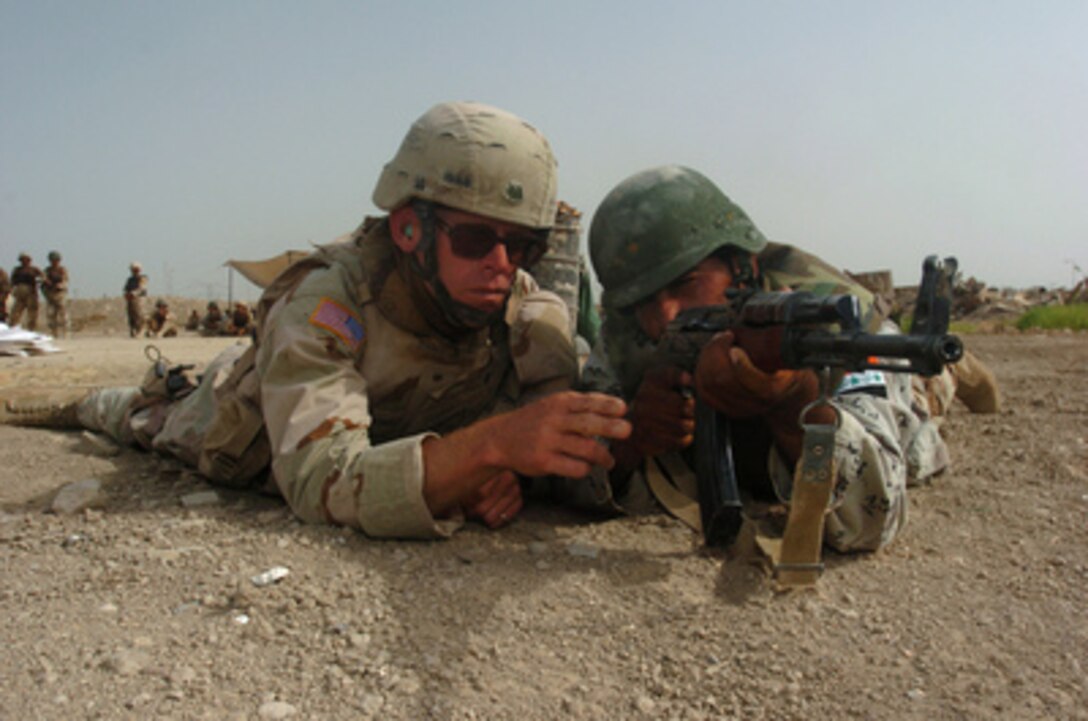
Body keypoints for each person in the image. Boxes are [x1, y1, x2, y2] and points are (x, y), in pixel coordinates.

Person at [6, 101, 630, 540]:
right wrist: (485, 450)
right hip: (233, 415)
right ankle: (62, 402)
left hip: (378, 428)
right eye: (474, 240)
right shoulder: (328, 299)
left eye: (522, 247)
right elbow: (318, 479)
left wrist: (495, 471)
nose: (502, 265)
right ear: (410, 229)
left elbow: (554, 454)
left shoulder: (529, 314)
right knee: (133, 415)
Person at [571, 165, 963, 552]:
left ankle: (953, 373)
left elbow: (872, 519)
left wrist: (793, 401)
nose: (667, 315)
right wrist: (635, 436)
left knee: (918, 437)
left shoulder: (832, 332)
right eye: (644, 300)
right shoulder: (629, 334)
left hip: (891, 367)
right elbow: (568, 470)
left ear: (744, 267)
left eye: (685, 283)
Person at [9, 253, 43, 331]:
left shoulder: (34, 269)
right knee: (16, 312)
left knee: (32, 313)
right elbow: (12, 281)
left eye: (26, 260)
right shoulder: (17, 270)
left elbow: (43, 278)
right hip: (19, 292)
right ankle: (12, 328)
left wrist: (40, 282)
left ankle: (31, 329)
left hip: (31, 292)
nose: (24, 261)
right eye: (22, 260)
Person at [40, 251, 70, 338]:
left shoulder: (62, 270)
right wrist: (47, 283)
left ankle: (66, 333)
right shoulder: (47, 270)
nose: (54, 262)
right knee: (51, 314)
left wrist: (60, 286)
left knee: (63, 314)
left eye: (56, 260)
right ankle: (53, 333)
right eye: (53, 260)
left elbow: (65, 280)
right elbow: (43, 280)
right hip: (50, 295)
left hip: (60, 295)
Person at [123, 262, 148, 337]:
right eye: (133, 269)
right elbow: (126, 289)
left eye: (136, 269)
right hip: (130, 300)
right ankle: (133, 331)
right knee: (131, 316)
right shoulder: (130, 279)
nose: (135, 270)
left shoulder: (142, 278)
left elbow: (142, 288)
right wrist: (127, 294)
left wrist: (133, 294)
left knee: (139, 316)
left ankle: (140, 331)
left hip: (140, 300)